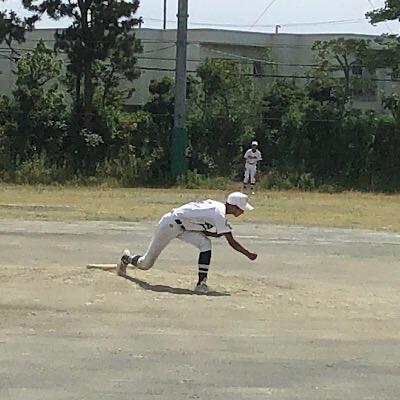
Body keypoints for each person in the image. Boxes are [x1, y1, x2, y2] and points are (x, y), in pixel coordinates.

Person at [116, 192, 258, 293]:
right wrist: (248, 254)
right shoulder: (218, 214)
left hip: (184, 227)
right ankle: (126, 258)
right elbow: (232, 242)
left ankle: (201, 284)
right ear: (233, 206)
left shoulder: (218, 209)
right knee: (145, 264)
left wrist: (213, 234)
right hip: (169, 225)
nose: (242, 212)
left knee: (205, 244)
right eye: (241, 209)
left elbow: (195, 223)